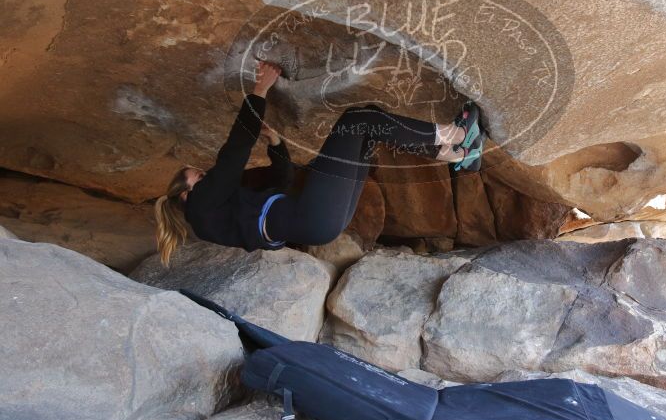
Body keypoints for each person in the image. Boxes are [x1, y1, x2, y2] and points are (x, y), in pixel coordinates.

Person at [154, 61, 486, 267]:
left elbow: (281, 183)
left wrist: (276, 144)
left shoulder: (221, 211)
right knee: (357, 119)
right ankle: (457, 133)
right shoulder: (201, 206)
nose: (206, 173)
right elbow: (235, 150)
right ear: (186, 194)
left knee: (366, 135)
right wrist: (260, 89)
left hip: (318, 224)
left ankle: (459, 156)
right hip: (311, 218)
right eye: (197, 176)